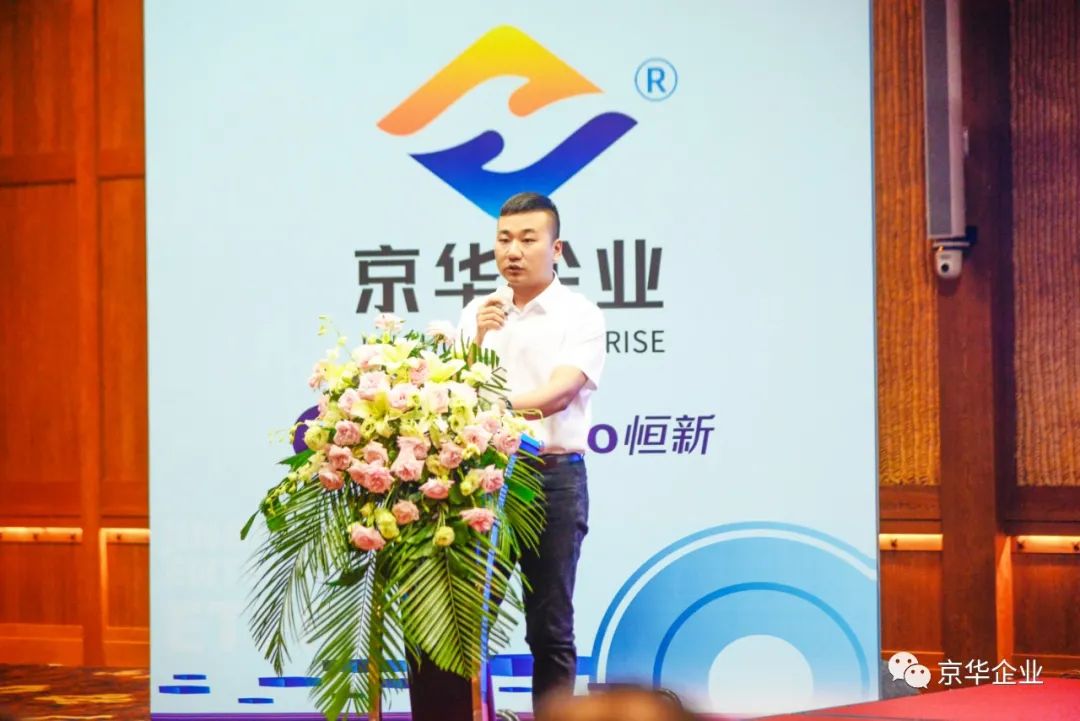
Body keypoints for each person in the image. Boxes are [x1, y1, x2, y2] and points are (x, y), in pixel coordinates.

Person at [407, 192, 606, 719]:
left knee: (551, 628)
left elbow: (557, 394)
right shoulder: (478, 312)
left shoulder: (579, 315)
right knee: (462, 618)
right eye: (504, 239)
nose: (513, 251)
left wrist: (489, 406)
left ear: (556, 248)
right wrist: (476, 338)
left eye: (527, 239)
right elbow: (449, 395)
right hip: (479, 480)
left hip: (550, 479)